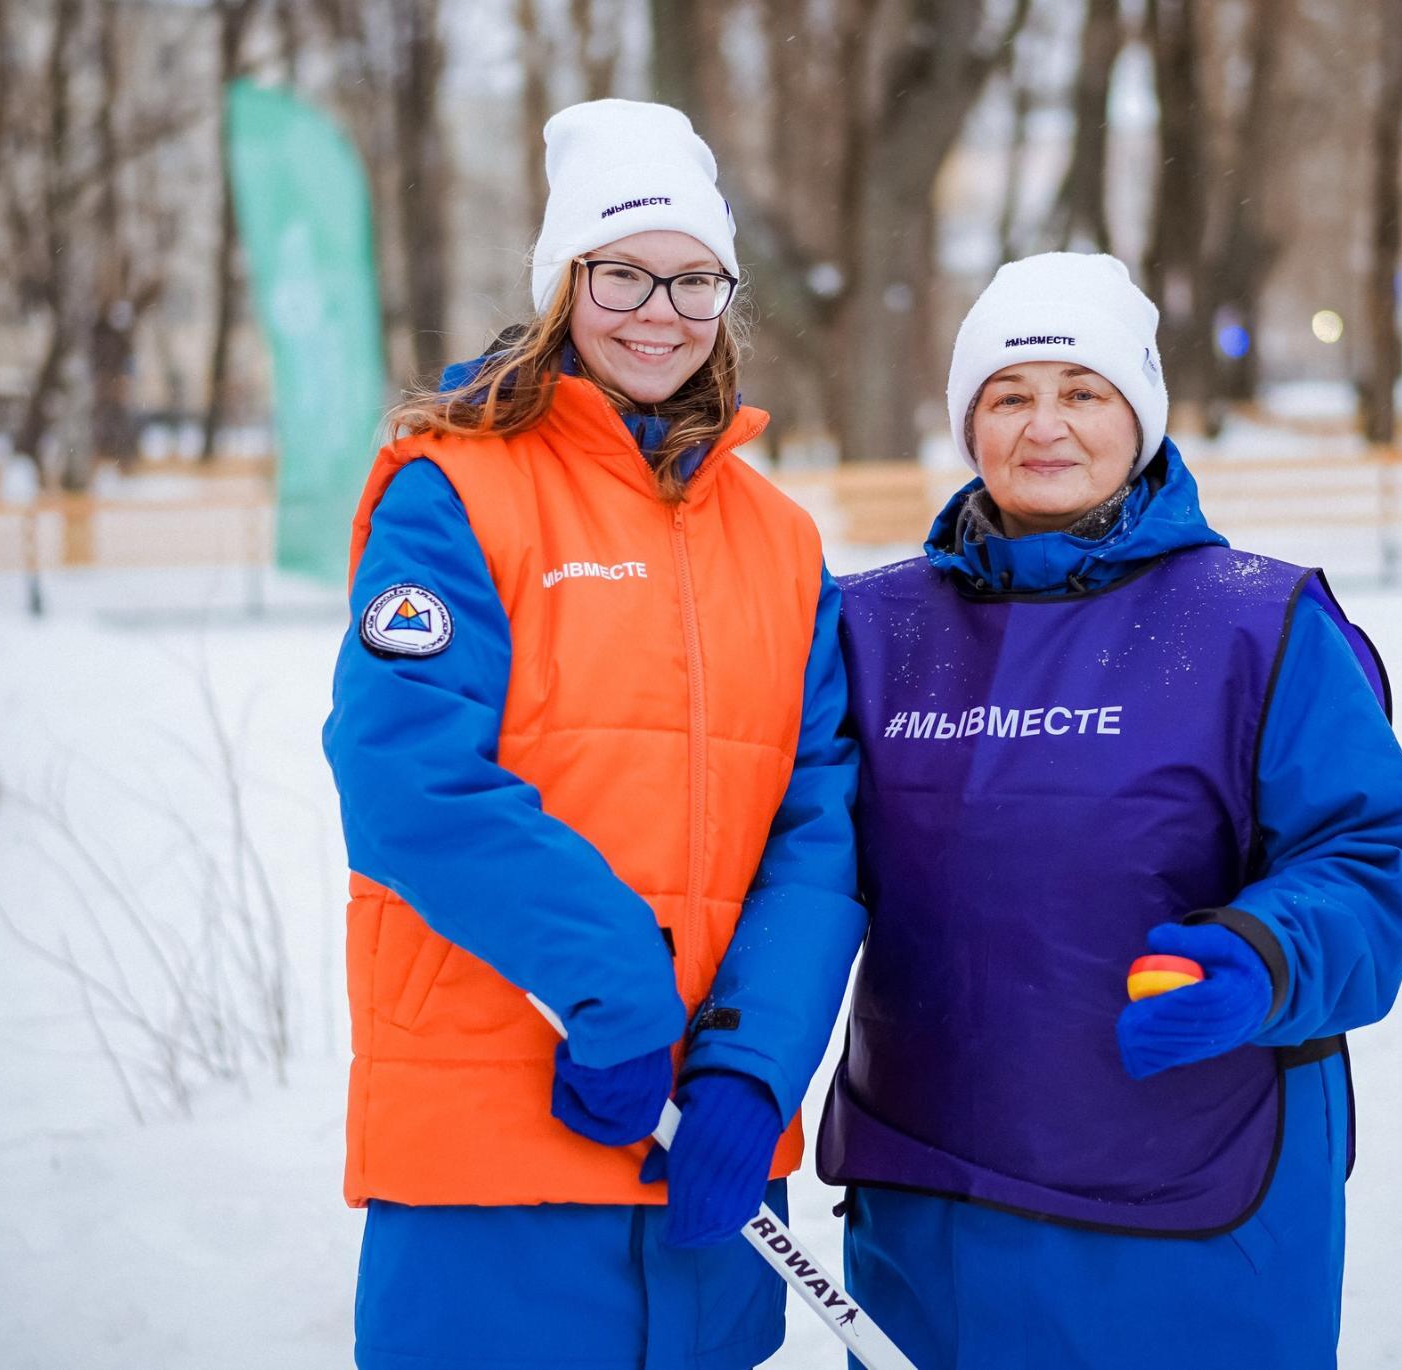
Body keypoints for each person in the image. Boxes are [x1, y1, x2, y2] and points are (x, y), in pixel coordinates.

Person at [818, 253, 1402, 1368]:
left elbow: (1370, 849)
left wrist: (1262, 958)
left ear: (1142, 414)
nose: (1044, 424)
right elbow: (786, 856)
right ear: (968, 422)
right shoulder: (874, 629)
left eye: (1083, 390)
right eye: (1009, 394)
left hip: (1195, 1207)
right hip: (938, 1206)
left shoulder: (1258, 621)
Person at [322, 99, 865, 1370]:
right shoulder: (453, 488)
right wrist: (617, 988)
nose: (659, 309)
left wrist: (752, 1068)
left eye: (694, 279)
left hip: (703, 1162)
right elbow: (407, 774)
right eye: (622, 272)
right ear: (565, 283)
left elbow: (818, 828)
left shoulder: (782, 542)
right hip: (493, 1142)